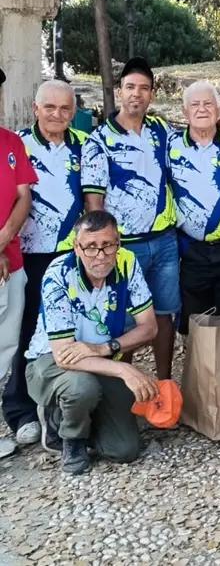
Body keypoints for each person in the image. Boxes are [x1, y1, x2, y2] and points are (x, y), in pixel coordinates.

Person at [24, 210, 159, 474]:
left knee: (124, 450)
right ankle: (67, 435)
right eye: (91, 247)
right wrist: (124, 369)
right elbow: (64, 355)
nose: (101, 256)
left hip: (100, 358)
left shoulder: (127, 262)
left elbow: (149, 326)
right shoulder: (59, 273)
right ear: (76, 246)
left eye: (108, 245)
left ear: (118, 241)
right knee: (81, 387)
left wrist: (104, 348)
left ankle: (84, 420)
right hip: (49, 362)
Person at [81, 57, 179, 381]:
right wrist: (103, 247)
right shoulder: (99, 141)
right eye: (130, 87)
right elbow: (94, 201)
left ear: (152, 94)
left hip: (164, 242)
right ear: (119, 91)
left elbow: (193, 144)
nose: (137, 94)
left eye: (144, 88)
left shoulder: (161, 131)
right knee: (124, 321)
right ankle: (123, 395)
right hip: (126, 248)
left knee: (164, 316)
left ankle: (164, 388)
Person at [2, 80, 85, 453]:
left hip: (64, 255)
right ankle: (20, 411)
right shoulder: (22, 142)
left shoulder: (83, 145)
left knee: (58, 331)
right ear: (35, 108)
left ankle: (59, 407)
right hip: (29, 255)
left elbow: (27, 198)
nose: (57, 115)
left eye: (65, 108)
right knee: (23, 333)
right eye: (49, 107)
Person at [167, 82, 220, 331]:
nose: (202, 109)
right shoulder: (169, 145)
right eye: (195, 104)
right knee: (194, 325)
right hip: (191, 252)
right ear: (184, 112)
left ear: (219, 109)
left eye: (208, 104)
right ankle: (198, 370)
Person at [0, 66, 37, 459]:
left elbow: (23, 196)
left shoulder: (12, 143)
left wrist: (5, 237)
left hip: (12, 261)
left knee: (6, 345)